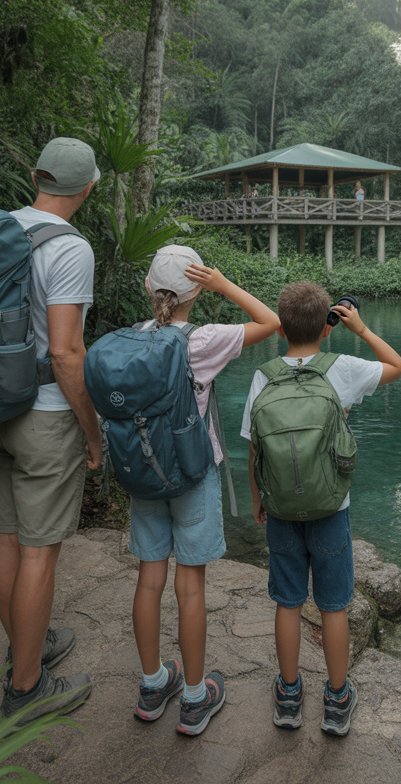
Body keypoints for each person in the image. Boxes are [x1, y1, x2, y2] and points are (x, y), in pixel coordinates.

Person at [240, 282, 401, 736]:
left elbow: (254, 451)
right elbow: (397, 365)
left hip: (281, 511)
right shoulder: (344, 370)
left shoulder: (264, 376)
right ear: (328, 325)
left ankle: (289, 695)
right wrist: (363, 328)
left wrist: (258, 503)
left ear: (281, 326)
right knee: (334, 608)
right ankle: (336, 700)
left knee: (288, 603)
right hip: (332, 508)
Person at [132, 245, 279, 736]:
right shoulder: (204, 340)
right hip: (193, 474)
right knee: (190, 585)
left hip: (145, 474)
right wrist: (224, 285)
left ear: (148, 288)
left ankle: (153, 684)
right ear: (197, 290)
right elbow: (271, 320)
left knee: (149, 578)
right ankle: (194, 697)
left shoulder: (132, 340)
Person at [0, 136, 103, 724]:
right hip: (45, 415)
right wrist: (93, 430)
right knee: (38, 552)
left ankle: (27, 645)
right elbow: (65, 352)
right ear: (86, 189)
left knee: (6, 537)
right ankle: (26, 688)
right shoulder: (71, 249)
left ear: (37, 176)